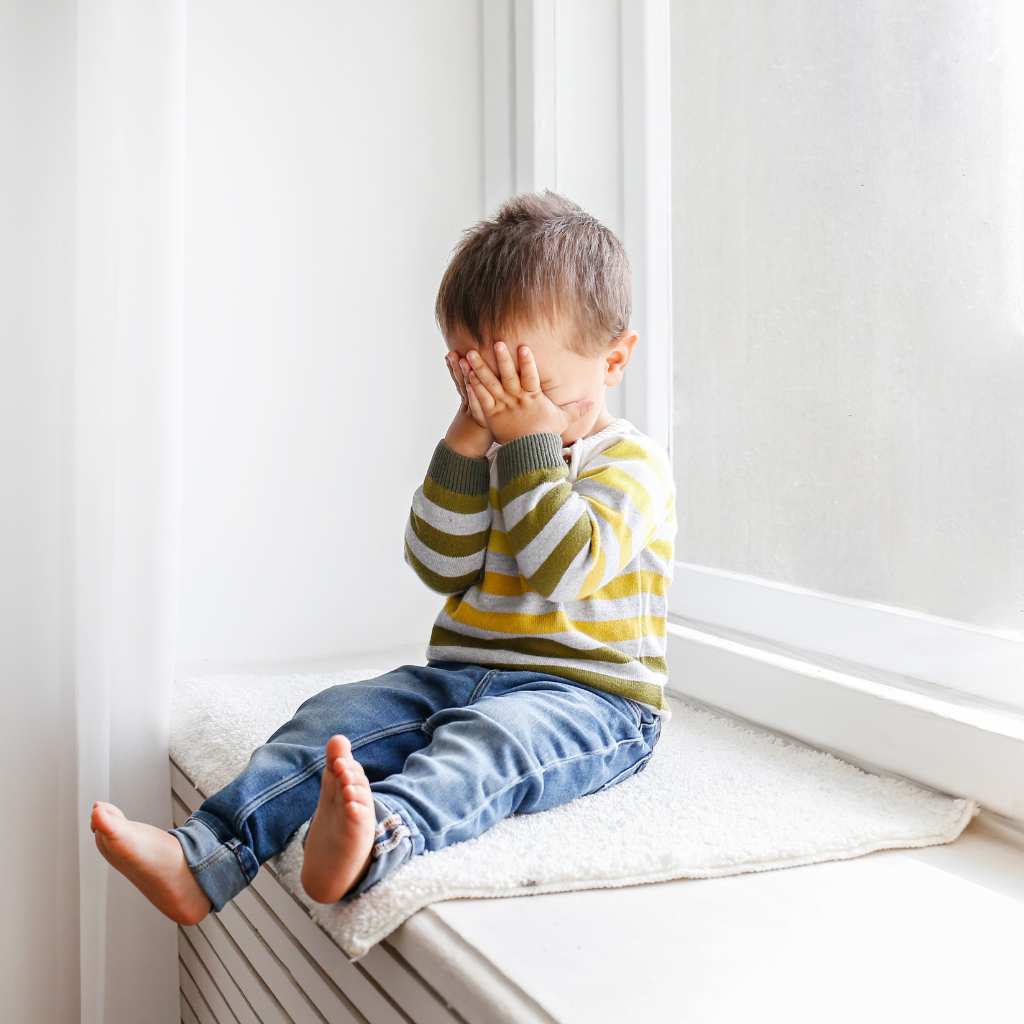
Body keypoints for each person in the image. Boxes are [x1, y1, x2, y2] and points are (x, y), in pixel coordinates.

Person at [90, 189, 677, 925]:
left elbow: (564, 569)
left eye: (538, 389)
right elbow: (439, 564)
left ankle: (374, 840)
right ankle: (204, 854)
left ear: (614, 358)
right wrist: (466, 445)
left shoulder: (629, 463)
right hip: (459, 672)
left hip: (589, 699)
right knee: (337, 715)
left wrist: (524, 447)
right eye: (483, 384)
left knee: (491, 748)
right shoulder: (491, 449)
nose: (508, 410)